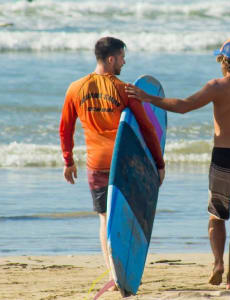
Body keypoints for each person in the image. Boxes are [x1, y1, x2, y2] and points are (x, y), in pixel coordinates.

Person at [125, 40, 230, 289]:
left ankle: (217, 264)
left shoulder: (217, 86)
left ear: (224, 62)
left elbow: (184, 106)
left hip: (222, 156)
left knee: (216, 216)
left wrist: (148, 98)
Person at [59, 37, 165, 288]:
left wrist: (68, 160)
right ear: (110, 59)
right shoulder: (124, 89)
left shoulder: (75, 88)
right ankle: (124, 266)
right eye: (121, 57)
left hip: (96, 166)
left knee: (105, 218)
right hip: (123, 164)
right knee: (124, 215)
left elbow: (65, 128)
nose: (124, 61)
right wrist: (158, 163)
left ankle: (113, 275)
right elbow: (148, 129)